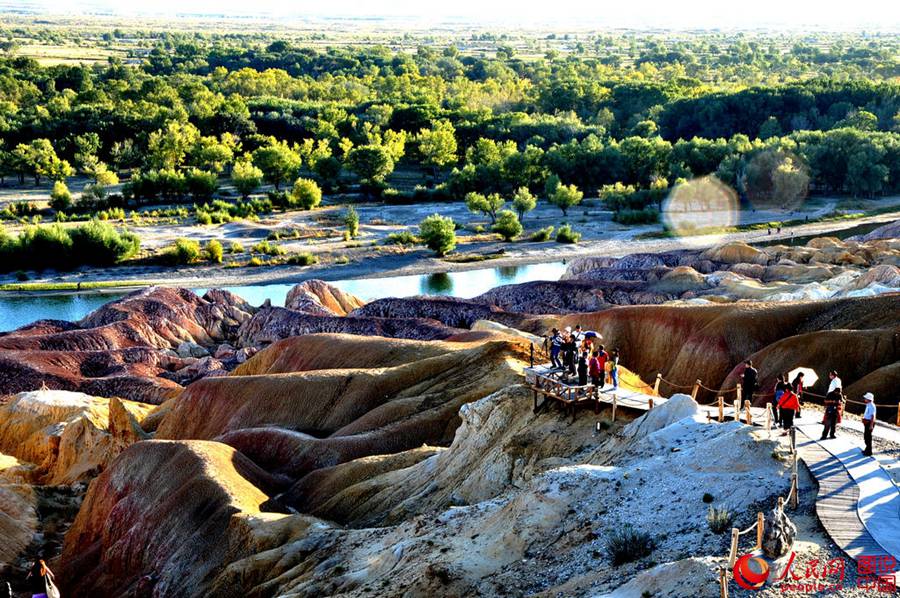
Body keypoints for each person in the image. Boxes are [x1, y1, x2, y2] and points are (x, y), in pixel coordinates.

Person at [862, 392, 876, 457]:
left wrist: (871, 425)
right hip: (867, 422)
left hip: (869, 423)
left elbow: (873, 416)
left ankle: (869, 451)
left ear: (869, 399)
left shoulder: (872, 406)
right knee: (866, 436)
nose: (864, 399)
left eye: (866, 398)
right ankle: (867, 449)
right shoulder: (868, 405)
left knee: (868, 437)